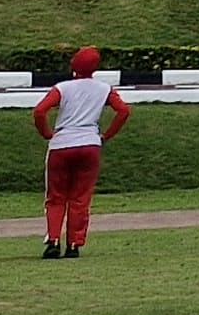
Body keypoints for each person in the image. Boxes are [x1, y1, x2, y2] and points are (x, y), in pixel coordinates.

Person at [28, 47, 129, 260]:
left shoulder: (63, 88)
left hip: (62, 144)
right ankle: (74, 244)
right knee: (80, 198)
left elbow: (39, 111)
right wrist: (106, 135)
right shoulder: (104, 89)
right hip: (90, 144)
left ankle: (53, 240)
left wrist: (47, 133)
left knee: (56, 197)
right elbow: (123, 111)